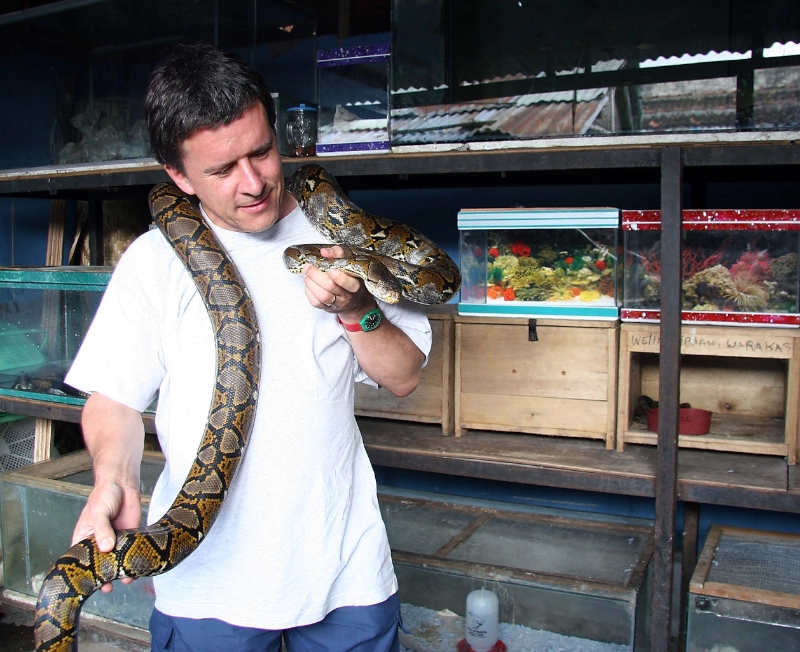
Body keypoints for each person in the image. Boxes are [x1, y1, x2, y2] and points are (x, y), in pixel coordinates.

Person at [64, 43, 431, 652]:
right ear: (178, 177)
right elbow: (115, 399)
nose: (254, 182)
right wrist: (114, 477)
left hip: (345, 565)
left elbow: (405, 376)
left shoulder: (343, 239)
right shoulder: (154, 261)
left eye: (262, 152)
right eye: (222, 169)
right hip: (210, 580)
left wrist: (355, 309)